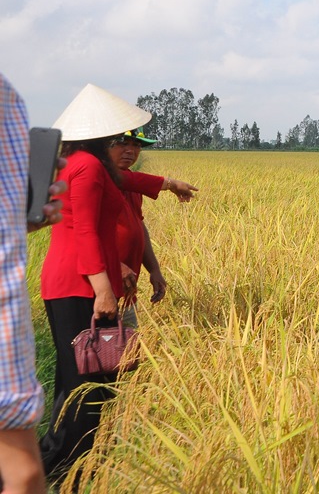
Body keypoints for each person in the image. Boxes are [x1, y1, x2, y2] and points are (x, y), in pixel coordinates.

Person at [37, 83, 193, 485]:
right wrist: (103, 289)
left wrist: (169, 183)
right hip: (79, 283)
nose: (124, 146)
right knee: (87, 382)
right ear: (100, 136)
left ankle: (60, 458)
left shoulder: (83, 163)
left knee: (81, 376)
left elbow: (129, 182)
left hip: (71, 281)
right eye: (116, 138)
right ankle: (70, 468)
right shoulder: (87, 167)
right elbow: (85, 230)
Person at [0, 70, 66, 494]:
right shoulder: (5, 100)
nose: (131, 149)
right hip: (72, 283)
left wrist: (17, 221)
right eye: (124, 141)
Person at [111, 128, 197, 326]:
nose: (130, 151)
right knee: (97, 351)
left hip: (125, 291)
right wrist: (115, 265)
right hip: (98, 290)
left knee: (129, 351)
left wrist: (154, 269)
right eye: (123, 143)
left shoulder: (133, 184)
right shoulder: (98, 180)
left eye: (136, 145)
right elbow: (87, 233)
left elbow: (138, 227)